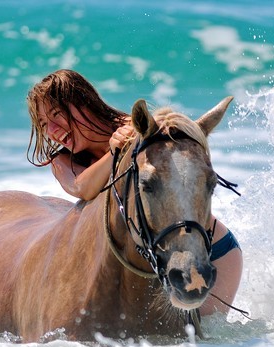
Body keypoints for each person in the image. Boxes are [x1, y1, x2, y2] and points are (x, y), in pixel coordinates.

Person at [26, 69, 242, 316]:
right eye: (44, 124)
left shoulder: (139, 131)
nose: (53, 129)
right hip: (162, 256)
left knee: (206, 346)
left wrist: (131, 140)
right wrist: (115, 151)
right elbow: (82, 188)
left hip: (216, 252)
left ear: (83, 103)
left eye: (57, 114)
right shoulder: (64, 161)